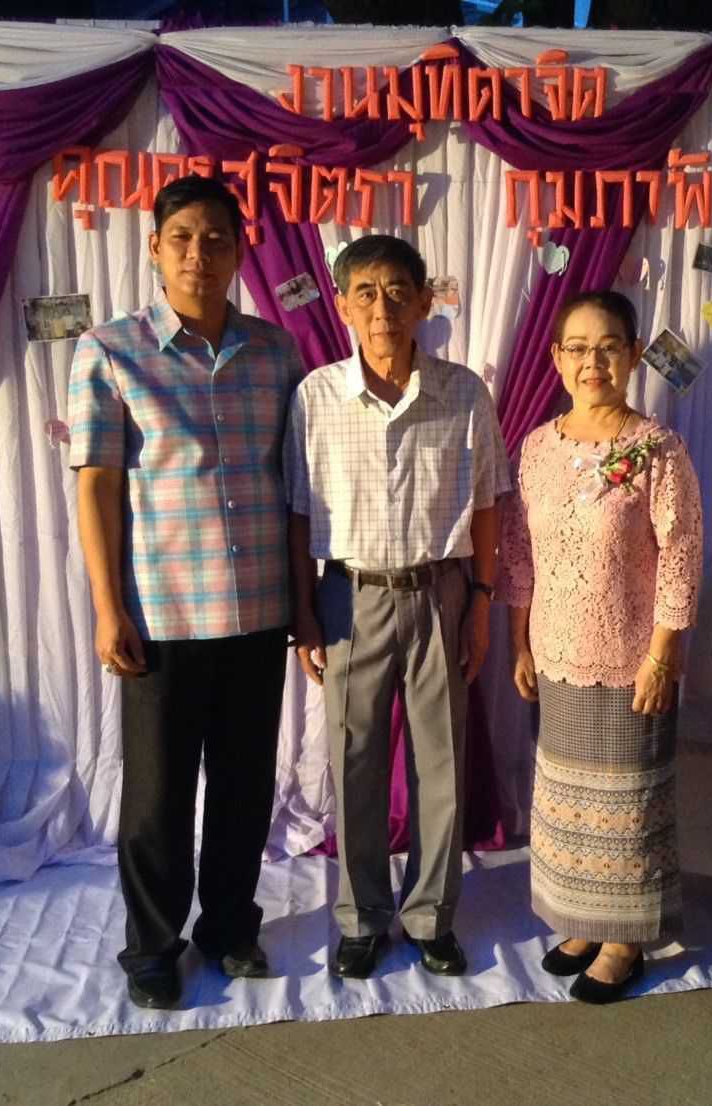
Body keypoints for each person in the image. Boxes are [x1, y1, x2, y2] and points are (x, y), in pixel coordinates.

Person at [68, 174, 305, 1009]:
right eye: (182, 238)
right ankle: (151, 947)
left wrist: (303, 600)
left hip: (258, 609)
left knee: (244, 785)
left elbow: (296, 484)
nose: (199, 253)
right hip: (162, 615)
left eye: (216, 239)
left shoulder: (276, 352)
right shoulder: (109, 351)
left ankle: (229, 926)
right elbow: (97, 484)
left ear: (239, 251)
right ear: (155, 249)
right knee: (157, 798)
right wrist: (108, 607)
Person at [284, 234, 511, 980]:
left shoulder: (463, 393)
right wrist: (304, 613)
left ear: (423, 302)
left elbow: (487, 504)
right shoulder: (316, 396)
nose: (382, 308)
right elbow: (297, 511)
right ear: (343, 305)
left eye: (397, 292)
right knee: (354, 759)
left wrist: (481, 602)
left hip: (442, 592)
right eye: (366, 293)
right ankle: (361, 918)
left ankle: (431, 916)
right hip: (349, 597)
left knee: (441, 762)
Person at [499, 292, 703, 1004]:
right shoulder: (537, 447)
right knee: (568, 797)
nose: (593, 362)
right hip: (556, 652)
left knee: (627, 801)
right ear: (557, 358)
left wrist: (664, 655)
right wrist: (520, 641)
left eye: (609, 346)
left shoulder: (657, 449)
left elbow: (681, 556)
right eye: (578, 348)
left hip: (630, 658)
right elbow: (519, 552)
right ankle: (583, 923)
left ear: (633, 354)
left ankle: (626, 939)